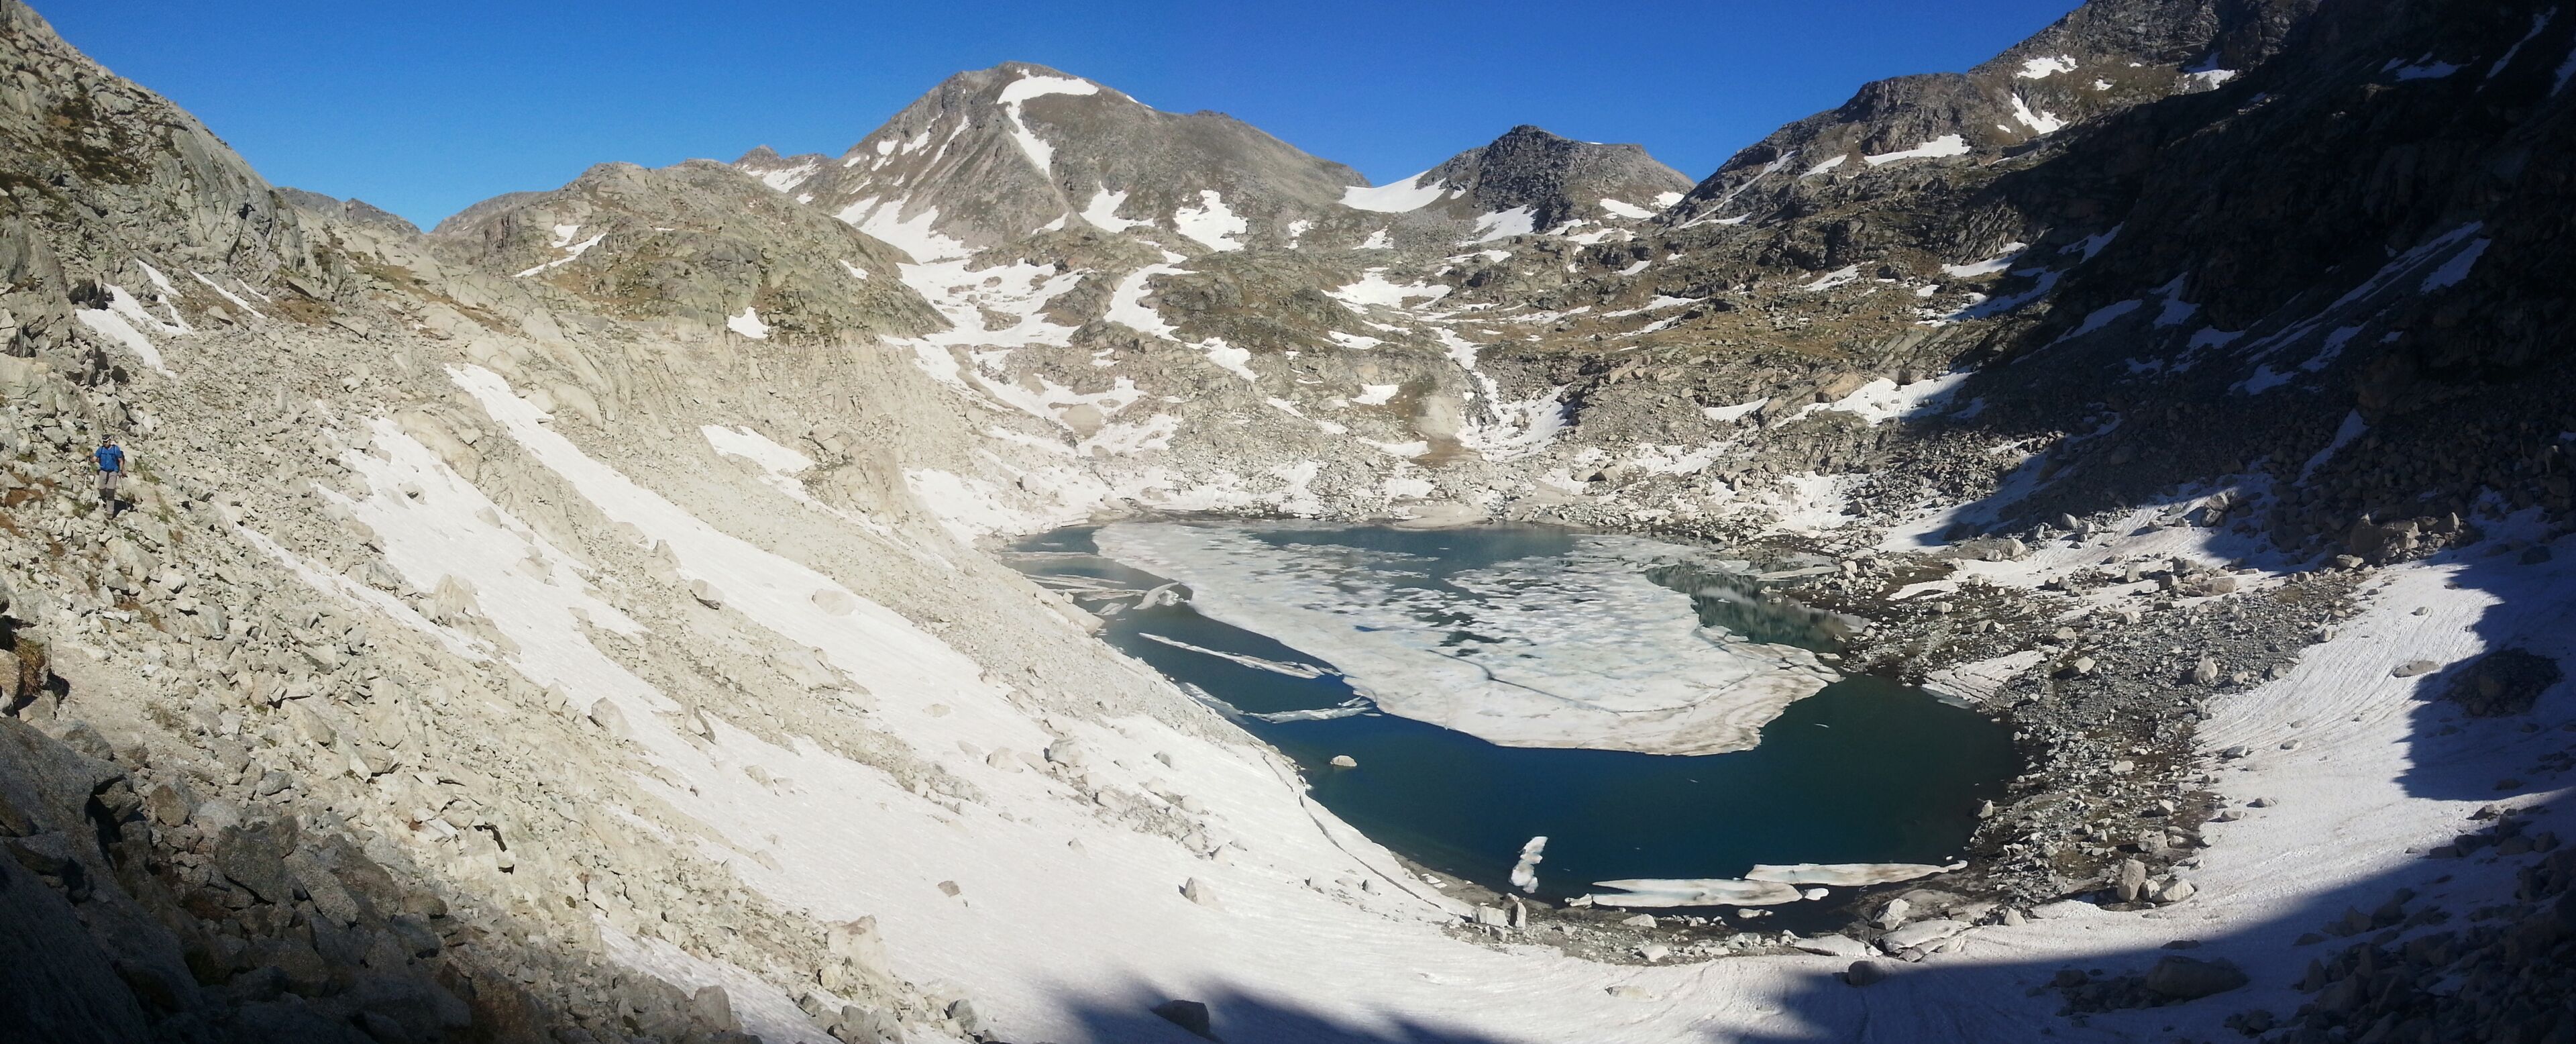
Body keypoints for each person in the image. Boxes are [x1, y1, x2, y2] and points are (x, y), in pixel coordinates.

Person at [93, 434, 124, 516]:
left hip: (113, 472)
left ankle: (110, 512)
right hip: (103, 471)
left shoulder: (115, 449)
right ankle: (105, 501)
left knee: (111, 491)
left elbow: (120, 460)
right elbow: (94, 459)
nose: (105, 443)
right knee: (102, 489)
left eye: (106, 442)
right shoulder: (101, 449)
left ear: (110, 441)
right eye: (103, 442)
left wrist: (120, 471)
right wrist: (90, 457)